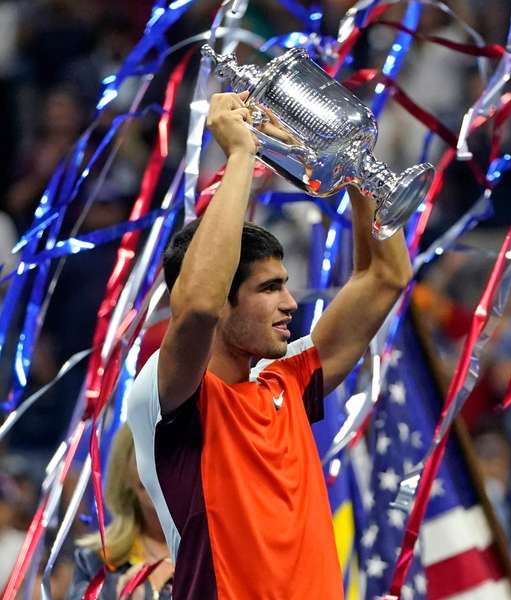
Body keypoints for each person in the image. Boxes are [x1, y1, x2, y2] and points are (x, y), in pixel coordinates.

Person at [126, 91, 412, 599]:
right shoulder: (172, 399)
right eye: (268, 288)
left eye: (285, 285)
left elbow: (387, 275)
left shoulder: (289, 382)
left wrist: (354, 167)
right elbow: (196, 307)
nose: (290, 304)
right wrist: (242, 154)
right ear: (225, 301)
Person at [68, 426, 174, 600]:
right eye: (145, 455)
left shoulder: (221, 557)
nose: (157, 470)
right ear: (124, 473)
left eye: (172, 457)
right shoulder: (94, 560)